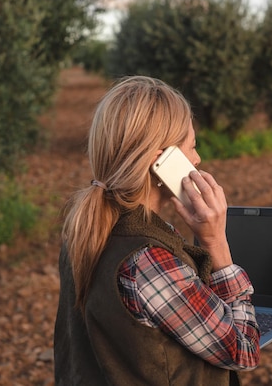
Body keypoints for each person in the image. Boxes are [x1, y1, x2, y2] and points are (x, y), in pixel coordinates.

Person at [54, 76, 260, 385]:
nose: (198, 159)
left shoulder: (85, 229)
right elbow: (243, 351)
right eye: (192, 146)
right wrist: (215, 241)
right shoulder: (148, 262)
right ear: (162, 160)